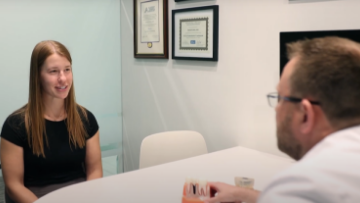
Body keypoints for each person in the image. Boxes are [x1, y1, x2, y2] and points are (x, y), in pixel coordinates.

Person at [204, 36, 360, 203]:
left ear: (305, 114)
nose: (277, 107)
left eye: (281, 98)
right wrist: (248, 195)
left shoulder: (303, 187)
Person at [0, 40, 103, 203]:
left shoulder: (86, 119)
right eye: (53, 71)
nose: (63, 78)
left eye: (67, 70)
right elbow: (14, 186)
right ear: (38, 76)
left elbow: (95, 172)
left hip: (80, 196)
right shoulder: (15, 126)